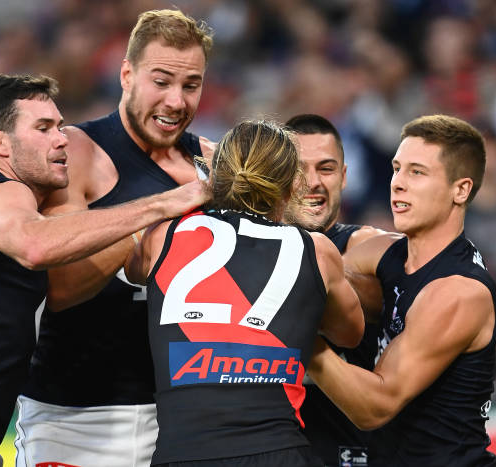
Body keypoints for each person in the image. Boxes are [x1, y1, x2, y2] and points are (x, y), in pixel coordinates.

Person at [0, 73, 208, 466]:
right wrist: (163, 204)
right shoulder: (2, 192)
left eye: (60, 126)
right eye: (43, 128)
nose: (62, 138)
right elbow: (35, 245)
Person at [16, 9, 215, 467]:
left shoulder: (211, 163)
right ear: (127, 74)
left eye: (191, 85)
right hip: (74, 416)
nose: (176, 101)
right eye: (161, 81)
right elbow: (60, 288)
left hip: (180, 417)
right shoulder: (77, 150)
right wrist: (149, 225)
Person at [124, 119, 364, 466]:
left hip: (183, 454)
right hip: (277, 452)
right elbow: (351, 333)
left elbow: (134, 270)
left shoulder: (165, 236)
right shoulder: (317, 251)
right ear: (291, 183)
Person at [308, 114, 496, 466]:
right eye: (397, 168)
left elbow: (375, 407)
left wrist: (301, 338)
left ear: (461, 189)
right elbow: (316, 272)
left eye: (417, 172)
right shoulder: (383, 253)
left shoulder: (459, 291)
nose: (397, 183)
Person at [283, 113, 387, 467]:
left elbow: (378, 288)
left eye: (326, 169)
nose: (313, 182)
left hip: (349, 453)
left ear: (344, 177)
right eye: (298, 170)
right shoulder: (249, 245)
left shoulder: (368, 246)